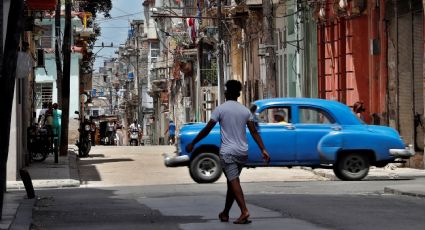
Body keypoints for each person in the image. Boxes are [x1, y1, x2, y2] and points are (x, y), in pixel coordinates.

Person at [185, 80, 270, 225]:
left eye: (225, 91)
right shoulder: (245, 111)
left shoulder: (221, 109)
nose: (224, 92)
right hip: (242, 153)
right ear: (237, 94)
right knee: (232, 182)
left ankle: (244, 211)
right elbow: (254, 132)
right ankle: (225, 213)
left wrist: (193, 142)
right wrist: (263, 148)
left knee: (233, 181)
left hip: (228, 153)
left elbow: (207, 129)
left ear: (227, 93)